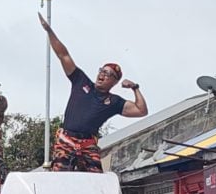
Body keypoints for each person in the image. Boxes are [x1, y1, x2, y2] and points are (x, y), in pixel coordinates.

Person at [39, 13, 148, 172]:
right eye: (101, 71)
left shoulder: (114, 102)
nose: (102, 75)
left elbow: (141, 110)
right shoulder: (81, 81)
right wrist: (49, 31)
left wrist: (135, 88)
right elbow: (63, 55)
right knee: (59, 176)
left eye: (108, 74)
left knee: (96, 178)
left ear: (115, 82)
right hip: (66, 139)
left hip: (88, 144)